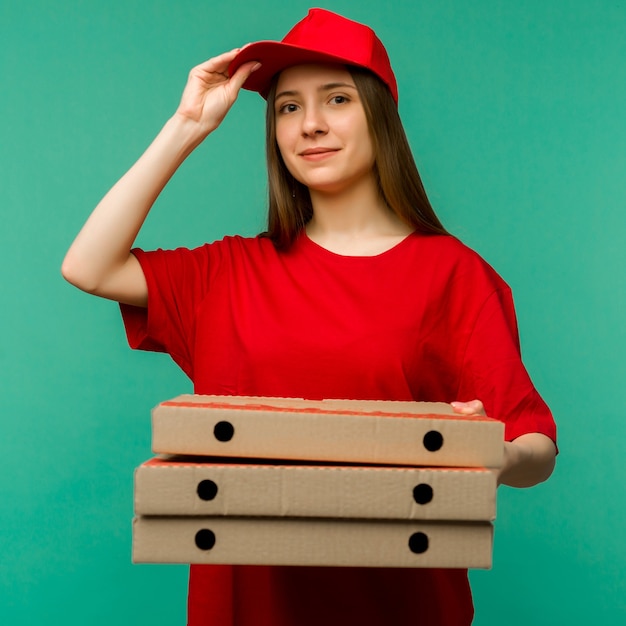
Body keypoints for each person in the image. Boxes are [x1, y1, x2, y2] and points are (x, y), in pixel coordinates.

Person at [62, 8, 557, 626]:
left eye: (337, 99)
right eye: (288, 108)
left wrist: (497, 456)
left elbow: (534, 441)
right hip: (245, 608)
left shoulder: (454, 275)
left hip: (404, 603)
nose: (311, 125)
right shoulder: (228, 273)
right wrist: (187, 124)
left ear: (380, 116)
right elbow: (88, 265)